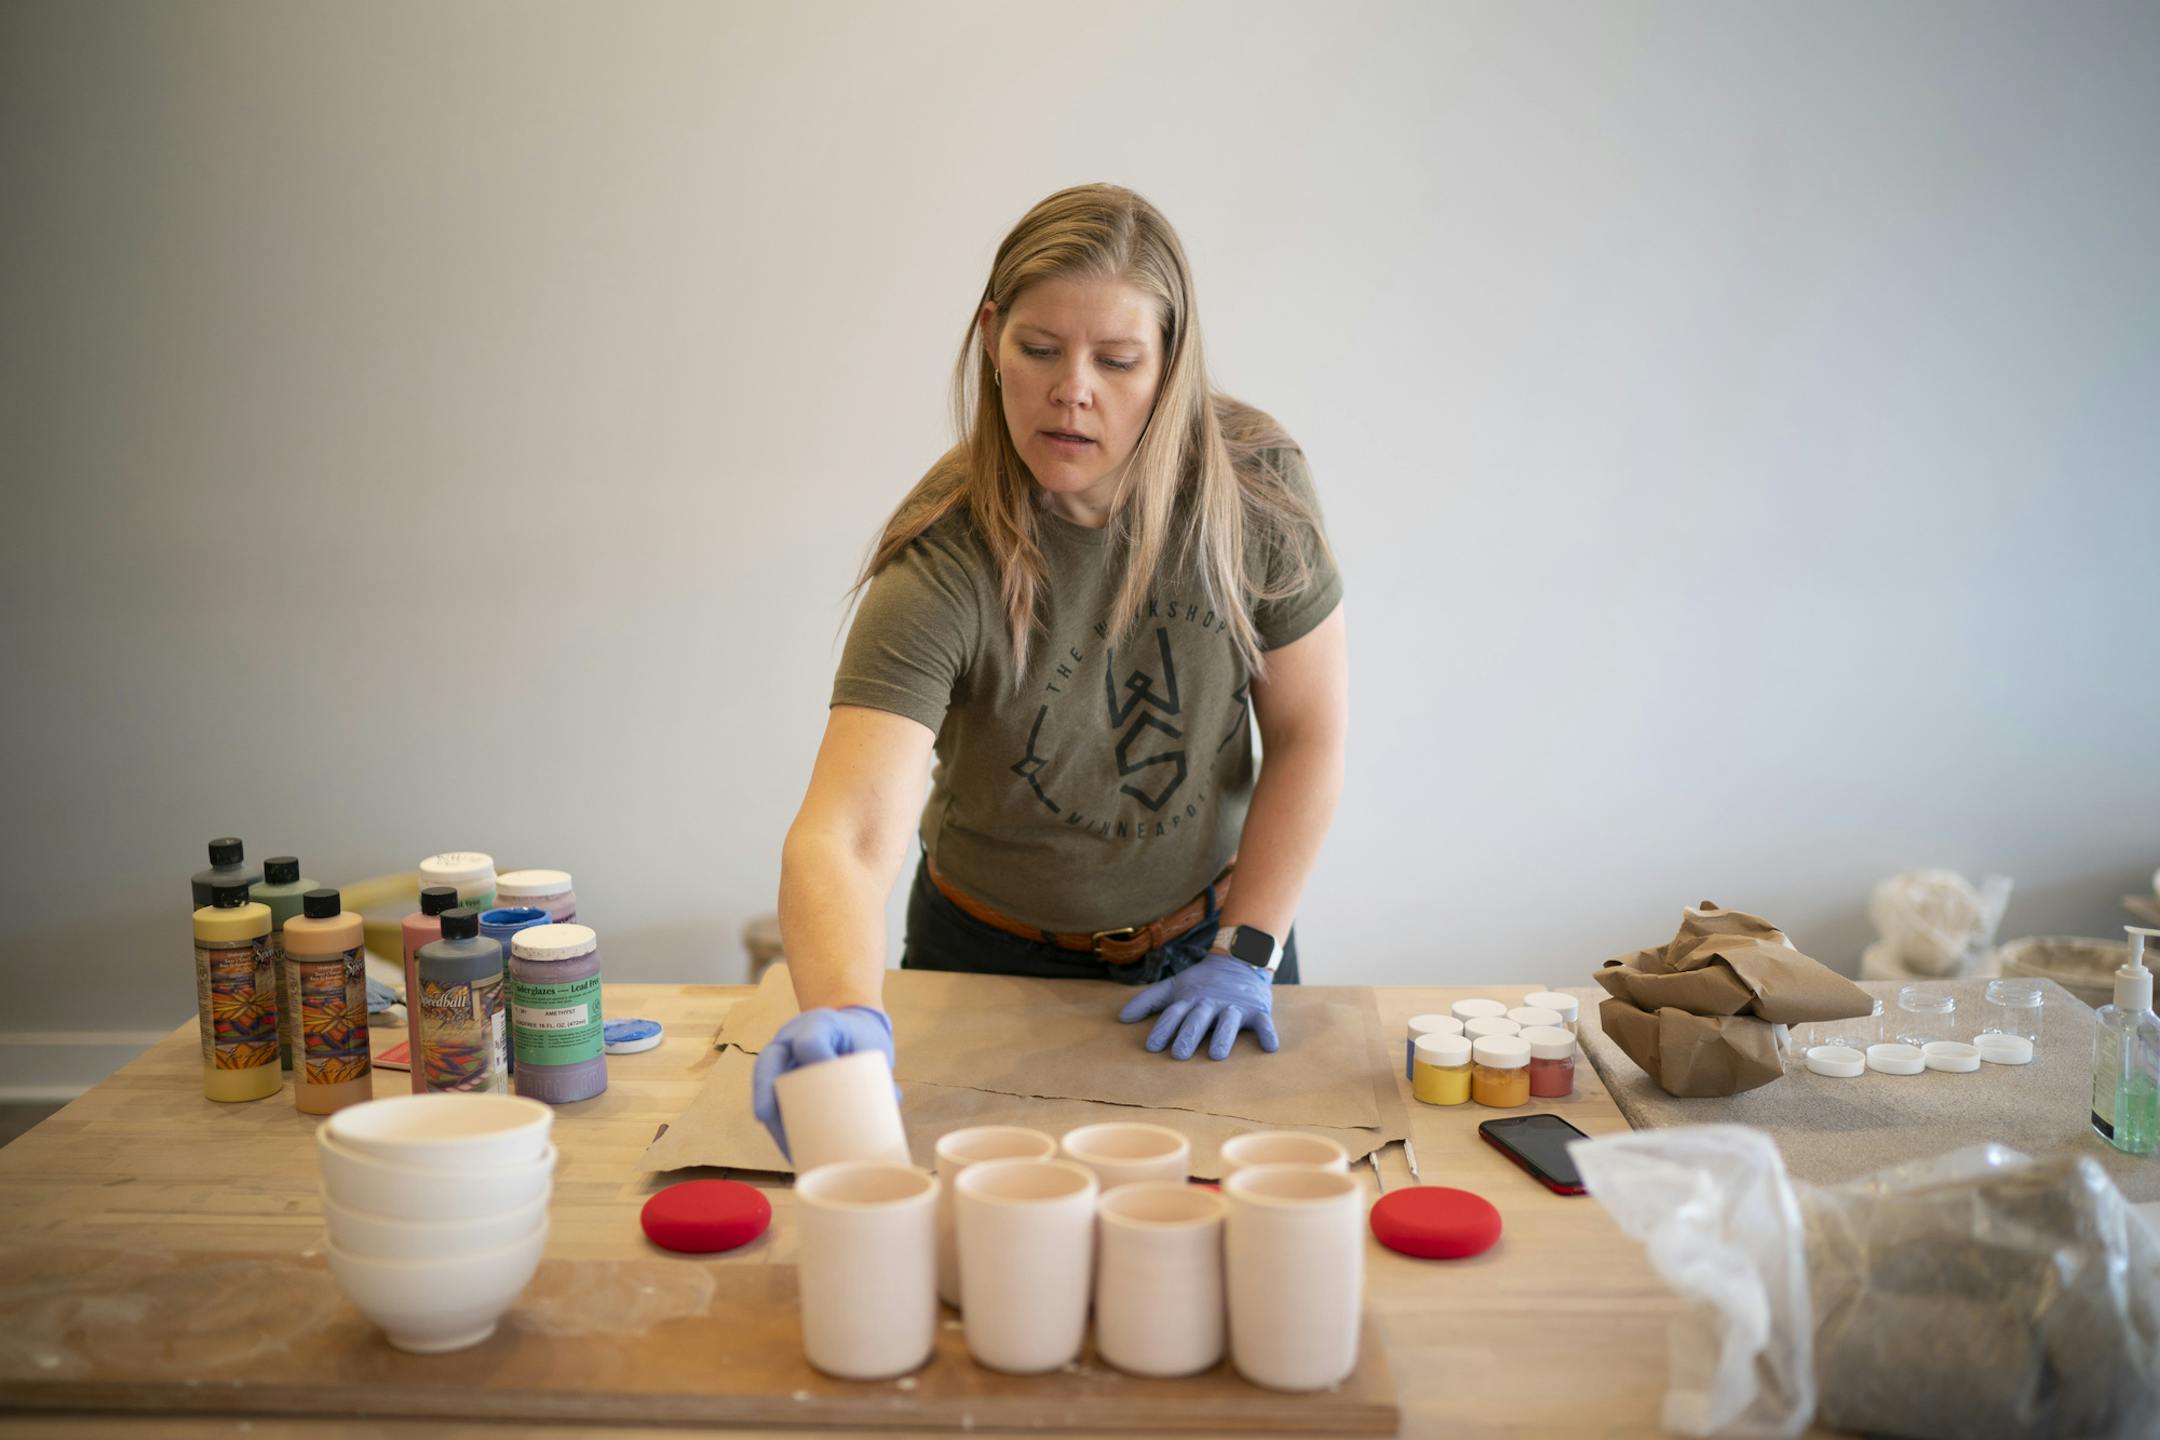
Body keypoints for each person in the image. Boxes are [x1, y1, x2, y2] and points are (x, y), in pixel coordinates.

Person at [752, 184, 1347, 1158]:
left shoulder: (1254, 491)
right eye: (1039, 350)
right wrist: (844, 1008)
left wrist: (1248, 949)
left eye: (1116, 361)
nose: (1073, 389)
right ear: (991, 338)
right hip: (986, 957)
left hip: (1216, 947)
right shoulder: (946, 555)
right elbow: (850, 833)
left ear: (1170, 366)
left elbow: (1307, 732)